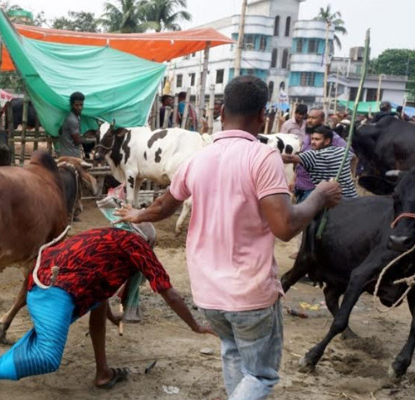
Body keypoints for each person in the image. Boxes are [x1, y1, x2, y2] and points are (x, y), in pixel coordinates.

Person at [115, 76, 342, 400]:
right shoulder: (262, 157)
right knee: (261, 376)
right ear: (263, 116)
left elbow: (165, 205)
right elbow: (285, 226)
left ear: (221, 112)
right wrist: (318, 196)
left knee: (234, 356)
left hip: (208, 294)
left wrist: (137, 215)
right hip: (249, 293)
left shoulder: (197, 159)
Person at [0, 225, 213, 400]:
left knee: (97, 305)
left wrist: (111, 316)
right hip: (52, 290)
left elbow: (99, 288)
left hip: (50, 281)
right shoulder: (138, 246)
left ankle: (103, 372)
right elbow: (170, 294)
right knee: (47, 357)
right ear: (148, 242)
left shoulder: (108, 237)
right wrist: (196, 326)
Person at [293, 108, 353, 204]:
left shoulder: (332, 136)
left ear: (322, 120)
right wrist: (294, 180)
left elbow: (349, 154)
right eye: (308, 117)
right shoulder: (308, 135)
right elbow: (301, 160)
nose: (309, 120)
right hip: (300, 186)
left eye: (313, 118)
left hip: (314, 189)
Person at [282, 126, 358, 199]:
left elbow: (289, 158)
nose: (313, 142)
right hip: (352, 198)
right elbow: (354, 158)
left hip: (336, 203)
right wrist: (352, 174)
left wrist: (271, 154)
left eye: (317, 139)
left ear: (327, 141)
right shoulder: (342, 151)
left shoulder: (314, 155)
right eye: (312, 139)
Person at [56, 92, 86, 158]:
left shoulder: (71, 116)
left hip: (65, 153)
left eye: (81, 105)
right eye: (77, 105)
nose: (80, 108)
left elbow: (60, 131)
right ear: (72, 105)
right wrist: (85, 138)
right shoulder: (73, 120)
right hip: (71, 156)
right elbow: (77, 141)